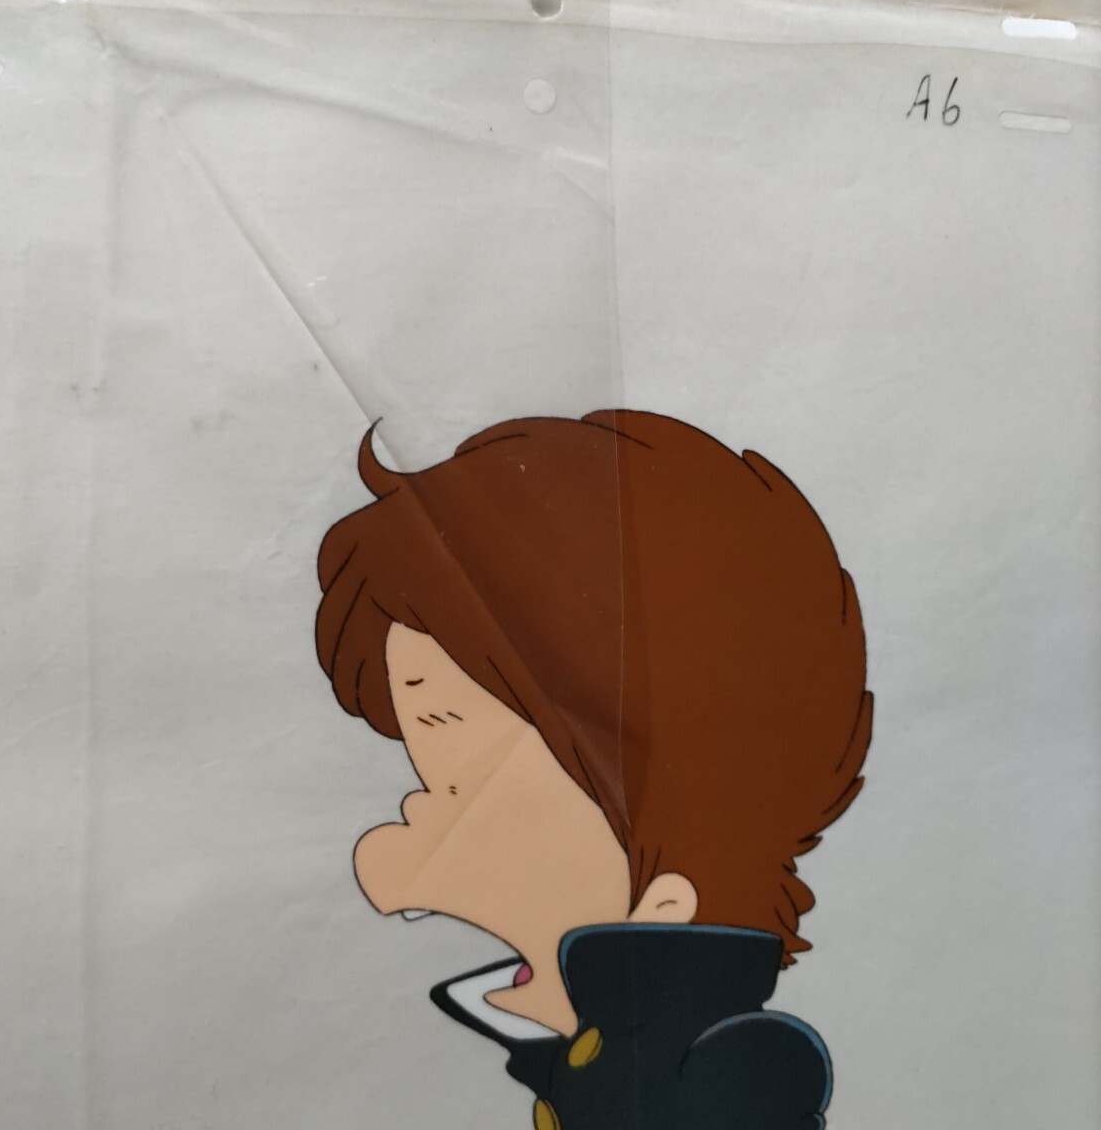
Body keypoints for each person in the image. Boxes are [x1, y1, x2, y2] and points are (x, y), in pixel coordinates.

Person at [315, 409, 872, 1130]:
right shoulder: (546, 1039)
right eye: (431, 776)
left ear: (662, 909)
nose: (415, 808)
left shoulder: (722, 1074)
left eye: (463, 785)